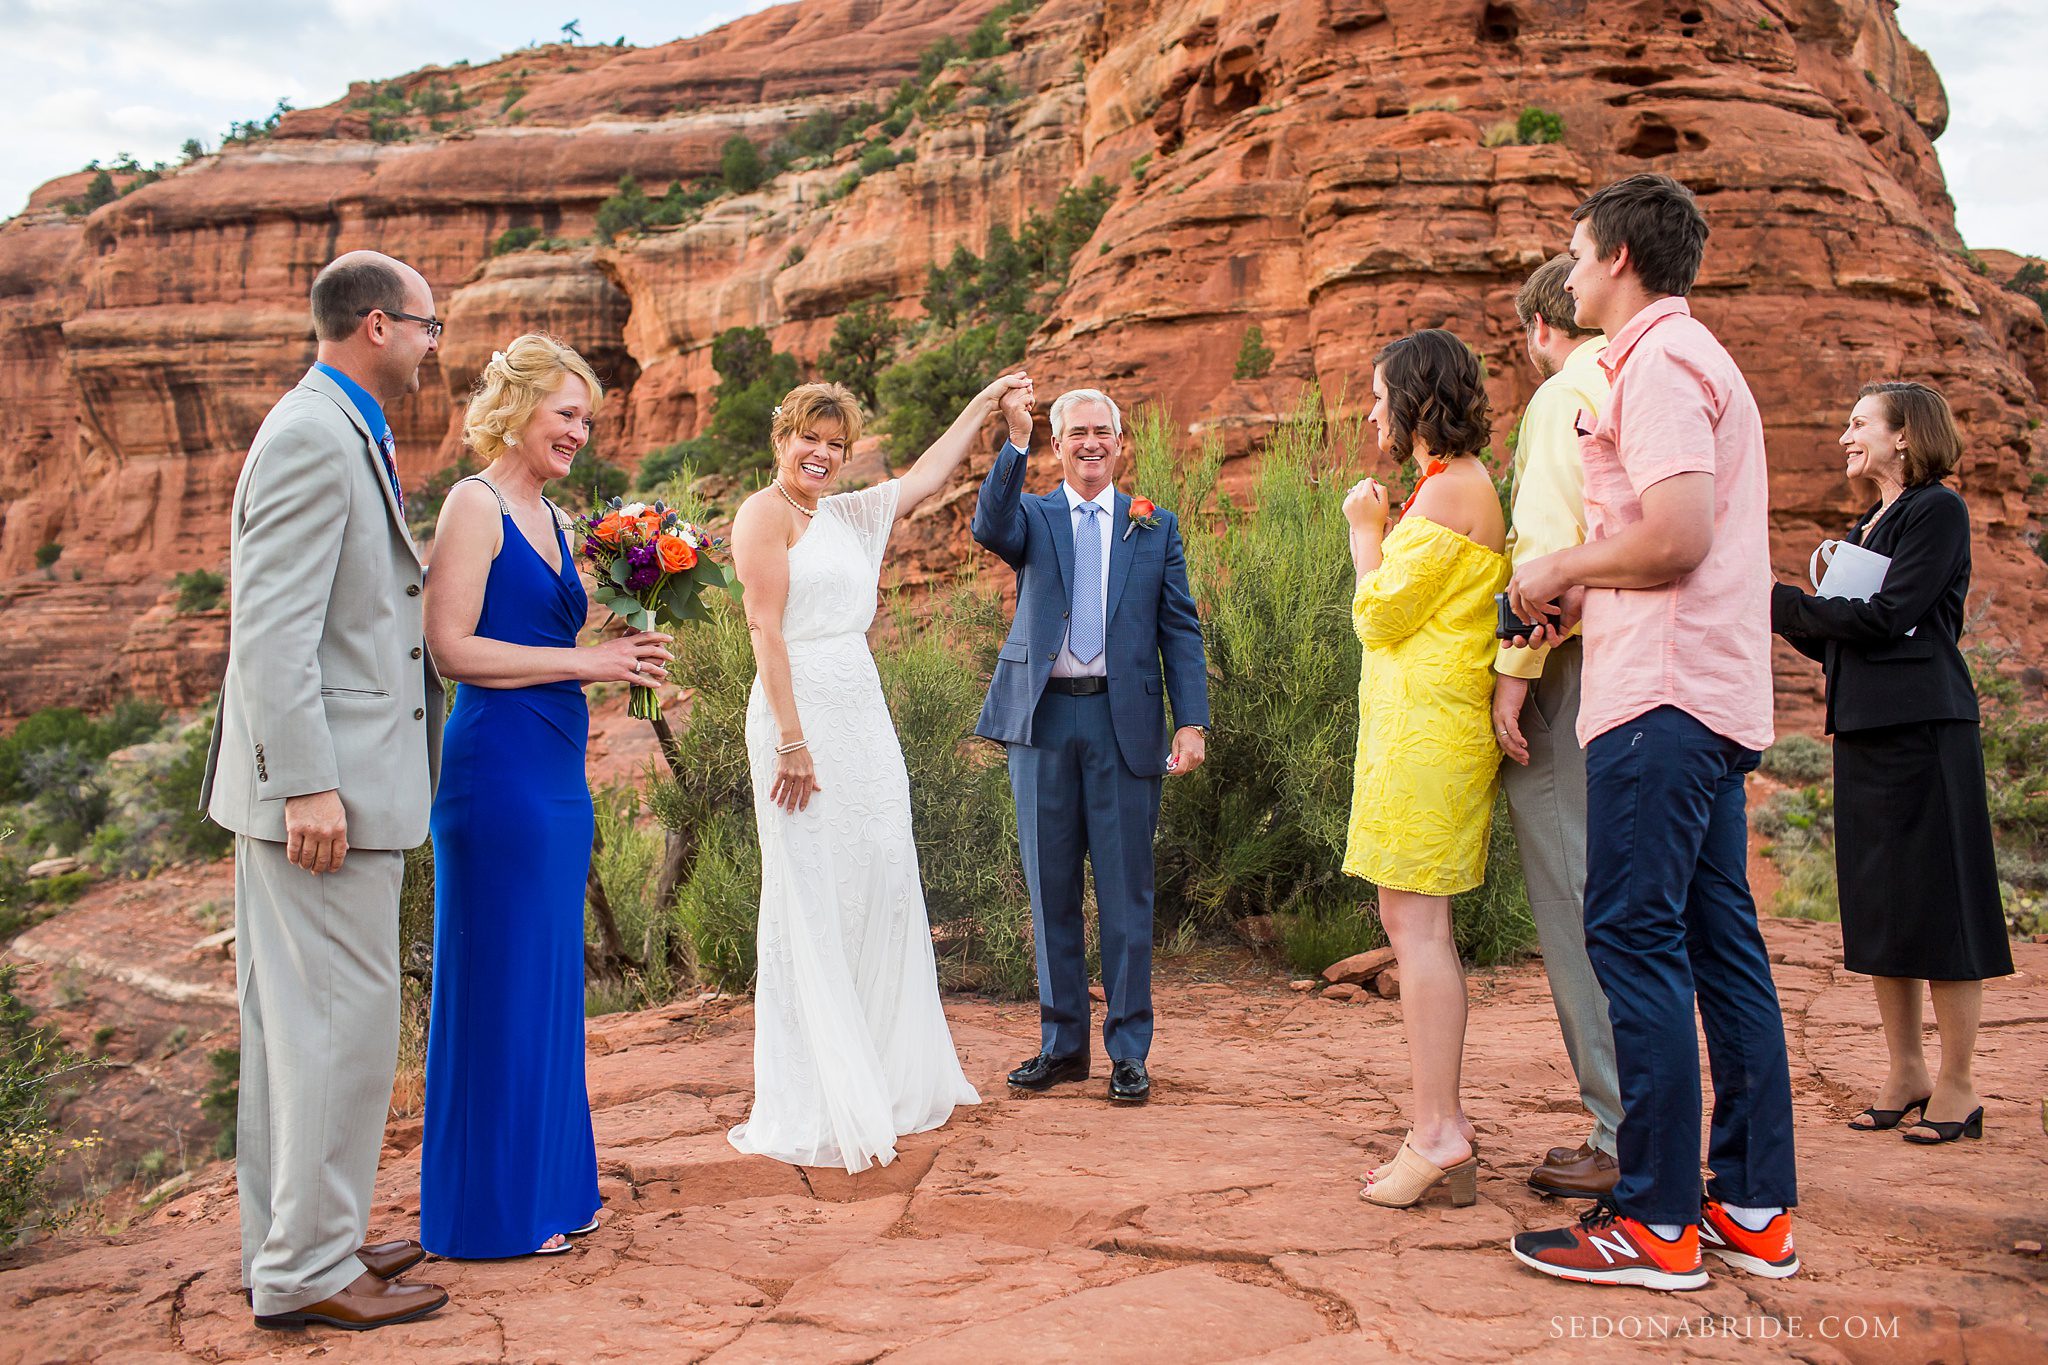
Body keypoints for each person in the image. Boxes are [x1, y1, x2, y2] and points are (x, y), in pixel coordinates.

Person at [1506, 174, 1798, 1290]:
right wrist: (1586, 592)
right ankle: (1753, 1206)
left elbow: (1673, 535)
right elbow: (1678, 539)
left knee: (1629, 937)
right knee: (1720, 945)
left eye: (1576, 253)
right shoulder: (1693, 359)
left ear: (1619, 256)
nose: (1570, 272)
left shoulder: (1661, 364)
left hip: (1659, 701)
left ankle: (1655, 1221)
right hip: (1707, 693)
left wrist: (1559, 566)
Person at [200, 250, 450, 1330]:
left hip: (341, 785)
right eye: (431, 325)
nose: (438, 344)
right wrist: (306, 784)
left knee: (301, 1029)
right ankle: (307, 1273)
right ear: (380, 325)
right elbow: (270, 629)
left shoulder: (342, 426)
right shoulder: (311, 434)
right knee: (341, 1026)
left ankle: (302, 1245)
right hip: (323, 798)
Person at [419, 336, 672, 1256]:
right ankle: (487, 1215)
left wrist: (638, 623)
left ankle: (553, 1190)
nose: (579, 430)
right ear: (517, 408)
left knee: (548, 983)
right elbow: (451, 649)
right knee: (500, 983)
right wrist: (587, 661)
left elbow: (557, 631)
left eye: (587, 419)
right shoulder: (472, 504)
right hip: (498, 774)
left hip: (560, 773)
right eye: (565, 413)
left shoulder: (563, 522)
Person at [726, 378, 1013, 1172]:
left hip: (862, 714)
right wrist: (790, 738)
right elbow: (763, 626)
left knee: (882, 877)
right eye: (808, 439)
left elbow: (925, 476)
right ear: (781, 437)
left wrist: (983, 399)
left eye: (836, 445)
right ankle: (821, 1091)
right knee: (814, 885)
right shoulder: (763, 515)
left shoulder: (847, 515)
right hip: (800, 716)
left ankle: (885, 1076)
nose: (820, 454)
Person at [1772, 381, 2011, 1144]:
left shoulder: (1936, 510)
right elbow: (1836, 635)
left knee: (1941, 899)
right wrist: (1779, 611)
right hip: (1868, 728)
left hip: (1928, 728)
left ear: (1905, 435)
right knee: (1881, 902)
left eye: (1858, 422)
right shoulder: (1864, 525)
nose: (1846, 436)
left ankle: (1959, 1084)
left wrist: (1776, 600)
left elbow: (1887, 616)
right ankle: (1905, 1068)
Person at [973, 386, 1210, 1107]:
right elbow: (989, 526)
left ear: (1120, 439)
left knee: (1127, 894)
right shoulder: (1034, 516)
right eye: (1076, 432)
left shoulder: (1154, 525)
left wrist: (1192, 721)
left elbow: (1180, 628)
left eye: (1102, 431)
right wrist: (1011, 440)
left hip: (1123, 723)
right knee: (1051, 892)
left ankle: (1128, 1052)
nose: (1090, 443)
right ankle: (1062, 1045)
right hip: (1043, 722)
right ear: (1056, 444)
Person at [1341, 330, 1509, 1210]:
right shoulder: (1452, 485)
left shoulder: (1450, 494)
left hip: (1431, 738)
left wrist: (1365, 530)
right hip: (1424, 731)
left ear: (1412, 400)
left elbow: (1377, 615)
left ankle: (1439, 1134)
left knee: (1416, 927)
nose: (1371, 412)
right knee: (1416, 923)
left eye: (1378, 395)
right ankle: (1440, 1125)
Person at [1492, 256, 1624, 1200]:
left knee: (1578, 892)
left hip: (1573, 671)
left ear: (1543, 327)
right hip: (1653, 672)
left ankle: (1620, 1129)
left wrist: (1513, 675)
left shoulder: (1560, 398)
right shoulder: (1651, 378)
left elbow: (1543, 556)